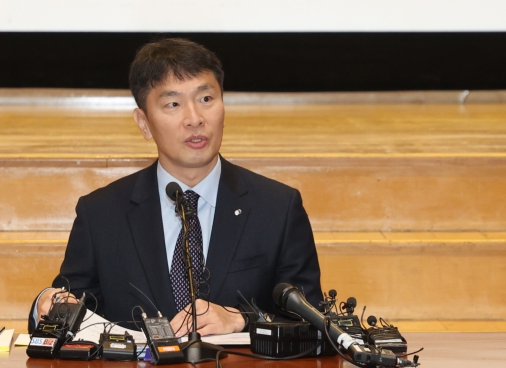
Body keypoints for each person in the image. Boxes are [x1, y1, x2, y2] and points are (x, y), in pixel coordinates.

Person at [29, 38, 322, 337]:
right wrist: (47, 302)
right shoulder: (101, 214)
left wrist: (244, 320)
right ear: (143, 123)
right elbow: (67, 316)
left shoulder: (277, 208)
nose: (194, 119)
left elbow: (315, 328)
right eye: (173, 104)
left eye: (206, 99)